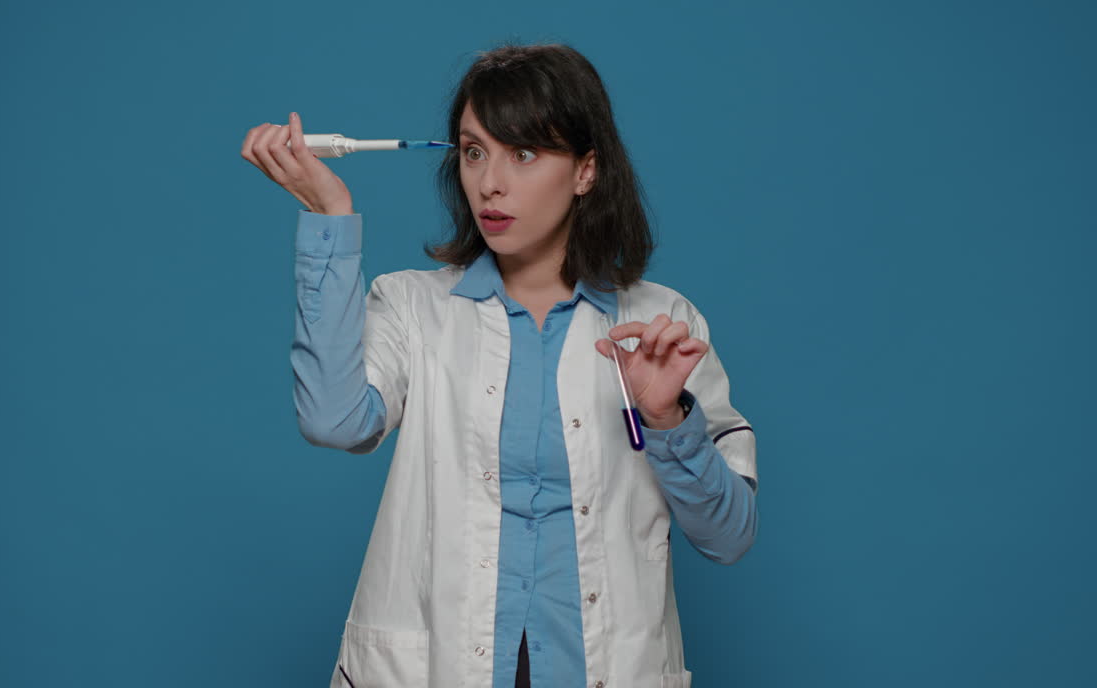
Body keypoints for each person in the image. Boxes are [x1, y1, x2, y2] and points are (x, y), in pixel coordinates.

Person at [241, 43, 759, 688]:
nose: (490, 181)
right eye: (473, 150)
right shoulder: (412, 307)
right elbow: (335, 423)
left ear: (585, 171)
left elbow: (728, 536)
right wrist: (329, 219)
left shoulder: (661, 323)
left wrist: (665, 418)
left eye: (524, 154)